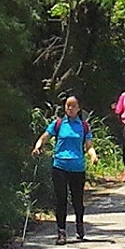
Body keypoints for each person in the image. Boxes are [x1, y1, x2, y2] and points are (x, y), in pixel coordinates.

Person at [35, 94, 91, 241]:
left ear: (79, 108)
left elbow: (89, 145)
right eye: (67, 105)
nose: (70, 108)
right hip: (60, 165)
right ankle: (61, 232)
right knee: (61, 199)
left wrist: (93, 155)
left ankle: (79, 224)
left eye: (73, 106)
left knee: (77, 200)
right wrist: (38, 146)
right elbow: (45, 136)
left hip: (77, 167)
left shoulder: (84, 126)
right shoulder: (58, 124)